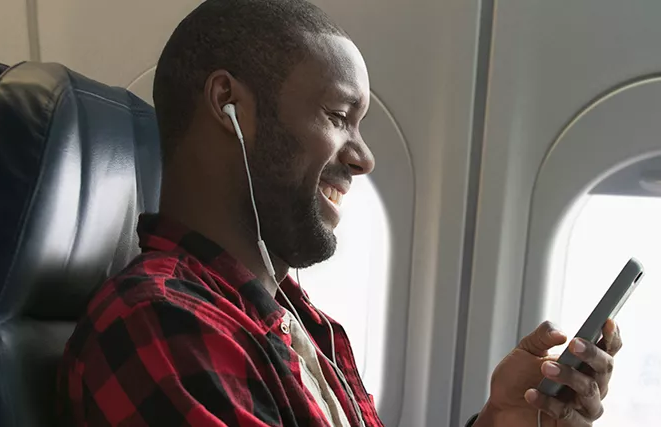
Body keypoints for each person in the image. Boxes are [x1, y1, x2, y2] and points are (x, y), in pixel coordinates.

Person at [57, 0, 623, 426]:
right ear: (228, 103)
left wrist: (502, 419)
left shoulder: (303, 321)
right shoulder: (161, 324)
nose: (365, 157)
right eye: (338, 115)